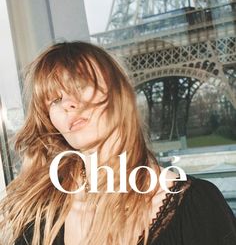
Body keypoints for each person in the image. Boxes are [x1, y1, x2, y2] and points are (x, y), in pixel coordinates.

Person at [0, 41, 236, 245]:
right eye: (55, 100)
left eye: (80, 86)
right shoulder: (39, 214)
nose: (67, 104)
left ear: (118, 94)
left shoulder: (197, 204)